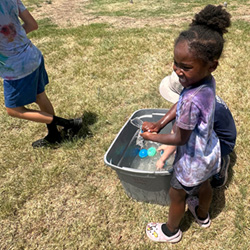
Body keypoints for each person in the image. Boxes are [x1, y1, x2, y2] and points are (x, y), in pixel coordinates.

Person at [142, 4, 232, 243]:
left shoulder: (192, 98)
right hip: (208, 153)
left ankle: (170, 231)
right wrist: (160, 122)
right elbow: (180, 102)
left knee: (176, 195)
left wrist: (153, 137)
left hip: (191, 161)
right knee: (204, 185)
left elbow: (179, 138)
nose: (178, 70)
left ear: (211, 65)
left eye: (186, 67)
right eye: (175, 63)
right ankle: (202, 216)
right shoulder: (204, 82)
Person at [0, 0, 82, 148]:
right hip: (32, 55)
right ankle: (54, 135)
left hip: (16, 68)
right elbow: (32, 25)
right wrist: (13, 40)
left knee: (13, 110)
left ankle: (69, 124)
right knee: (40, 96)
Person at [153, 71, 237, 188]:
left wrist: (162, 159)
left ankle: (220, 163)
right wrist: (168, 147)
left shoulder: (193, 109)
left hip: (224, 143)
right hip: (225, 132)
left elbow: (179, 137)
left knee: (192, 157)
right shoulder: (204, 94)